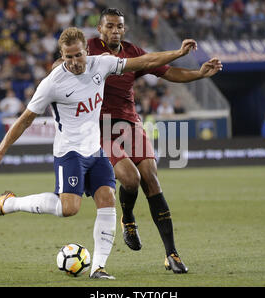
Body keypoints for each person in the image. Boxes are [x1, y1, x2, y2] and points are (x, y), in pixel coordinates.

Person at [0, 26, 199, 280]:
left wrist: (178, 53)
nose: (74, 62)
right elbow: (25, 120)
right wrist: (0, 150)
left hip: (96, 149)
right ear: (62, 57)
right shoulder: (52, 84)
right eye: (68, 57)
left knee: (107, 200)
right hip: (69, 153)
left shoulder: (101, 64)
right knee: (68, 208)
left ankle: (98, 268)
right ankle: (9, 203)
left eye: (78, 55)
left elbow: (146, 61)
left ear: (87, 51)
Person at [53, 8, 222, 274]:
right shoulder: (88, 50)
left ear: (124, 29)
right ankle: (128, 218)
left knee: (151, 177)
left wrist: (199, 73)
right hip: (99, 126)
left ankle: (172, 254)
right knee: (130, 179)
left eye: (119, 26)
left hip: (129, 122)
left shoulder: (133, 52)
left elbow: (167, 72)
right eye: (109, 26)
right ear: (99, 29)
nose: (114, 31)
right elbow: (61, 67)